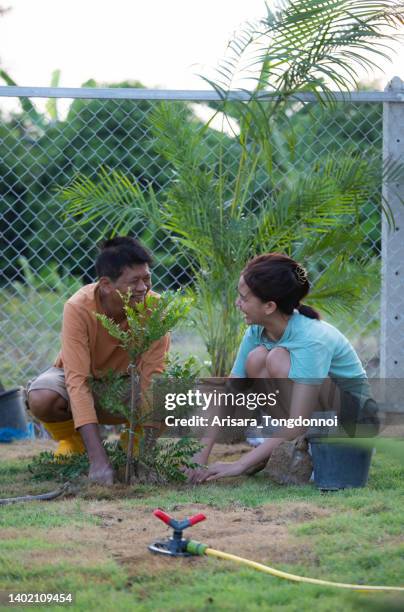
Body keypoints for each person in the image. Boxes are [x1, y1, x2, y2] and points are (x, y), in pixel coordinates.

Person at [190, 252, 377, 483]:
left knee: (276, 358)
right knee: (257, 358)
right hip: (314, 417)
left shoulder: (311, 338)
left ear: (269, 306)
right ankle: (294, 448)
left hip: (353, 422)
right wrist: (199, 457)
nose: (238, 304)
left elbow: (298, 421)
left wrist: (240, 465)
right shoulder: (256, 331)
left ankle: (312, 453)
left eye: (244, 298)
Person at [27, 236, 170, 485]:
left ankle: (133, 447)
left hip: (127, 386)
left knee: (170, 393)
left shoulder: (155, 308)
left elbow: (152, 379)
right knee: (42, 396)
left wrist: (146, 456)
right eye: (134, 281)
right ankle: (75, 445)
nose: (144, 288)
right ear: (105, 284)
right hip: (85, 383)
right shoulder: (78, 307)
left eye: (146, 278)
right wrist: (98, 460)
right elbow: (77, 380)